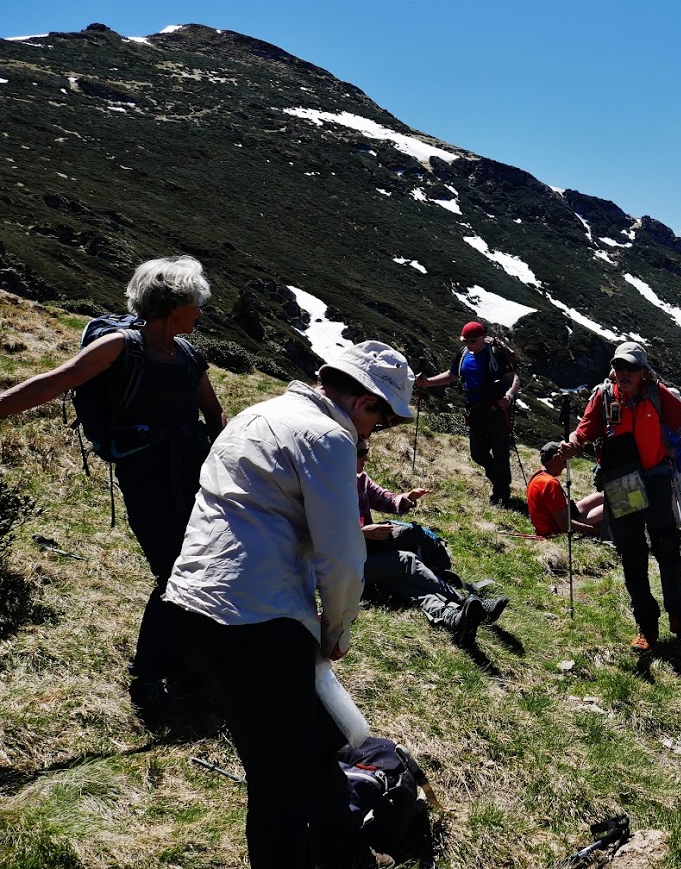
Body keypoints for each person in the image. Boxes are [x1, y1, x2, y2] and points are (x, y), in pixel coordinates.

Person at [163, 340, 414, 869]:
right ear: (364, 402)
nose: (374, 434)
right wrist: (336, 632)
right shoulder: (328, 438)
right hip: (256, 619)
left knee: (308, 745)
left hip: (191, 604)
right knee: (280, 786)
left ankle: (343, 841)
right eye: (381, 422)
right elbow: (342, 556)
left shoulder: (257, 414)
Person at [0, 255, 225, 711]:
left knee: (198, 564)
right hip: (146, 475)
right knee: (174, 570)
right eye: (195, 304)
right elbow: (56, 381)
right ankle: (148, 681)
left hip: (194, 471)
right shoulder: (121, 346)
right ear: (174, 304)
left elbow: (215, 415)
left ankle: (183, 659)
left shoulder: (188, 355)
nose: (200, 313)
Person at [559, 342, 681, 651]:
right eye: (620, 367)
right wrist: (570, 445)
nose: (625, 373)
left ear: (643, 372)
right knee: (632, 556)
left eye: (632, 368)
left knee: (668, 547)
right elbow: (583, 432)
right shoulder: (604, 397)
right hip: (621, 482)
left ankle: (678, 614)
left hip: (656, 476)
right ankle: (647, 627)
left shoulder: (657, 394)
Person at [357, 443, 505, 642]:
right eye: (360, 453)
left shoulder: (360, 480)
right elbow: (318, 537)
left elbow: (385, 498)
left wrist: (406, 498)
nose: (366, 458)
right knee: (406, 562)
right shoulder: (325, 489)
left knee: (403, 583)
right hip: (343, 566)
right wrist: (362, 533)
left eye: (366, 451)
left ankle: (454, 619)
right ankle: (463, 601)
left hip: (365, 555)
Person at [414, 321, 518, 506]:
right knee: (478, 453)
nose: (468, 344)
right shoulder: (463, 354)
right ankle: (500, 481)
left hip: (497, 410)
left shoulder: (495, 353)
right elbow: (452, 374)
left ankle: (501, 493)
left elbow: (514, 378)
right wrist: (428, 382)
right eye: (465, 341)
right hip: (476, 410)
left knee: (500, 452)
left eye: (472, 341)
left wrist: (508, 396)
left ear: (483, 338)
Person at [528, 441, 605, 537]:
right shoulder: (550, 483)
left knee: (598, 497)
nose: (565, 466)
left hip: (552, 521)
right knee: (607, 508)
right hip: (555, 530)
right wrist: (592, 530)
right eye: (565, 461)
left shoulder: (538, 475)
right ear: (555, 458)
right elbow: (563, 524)